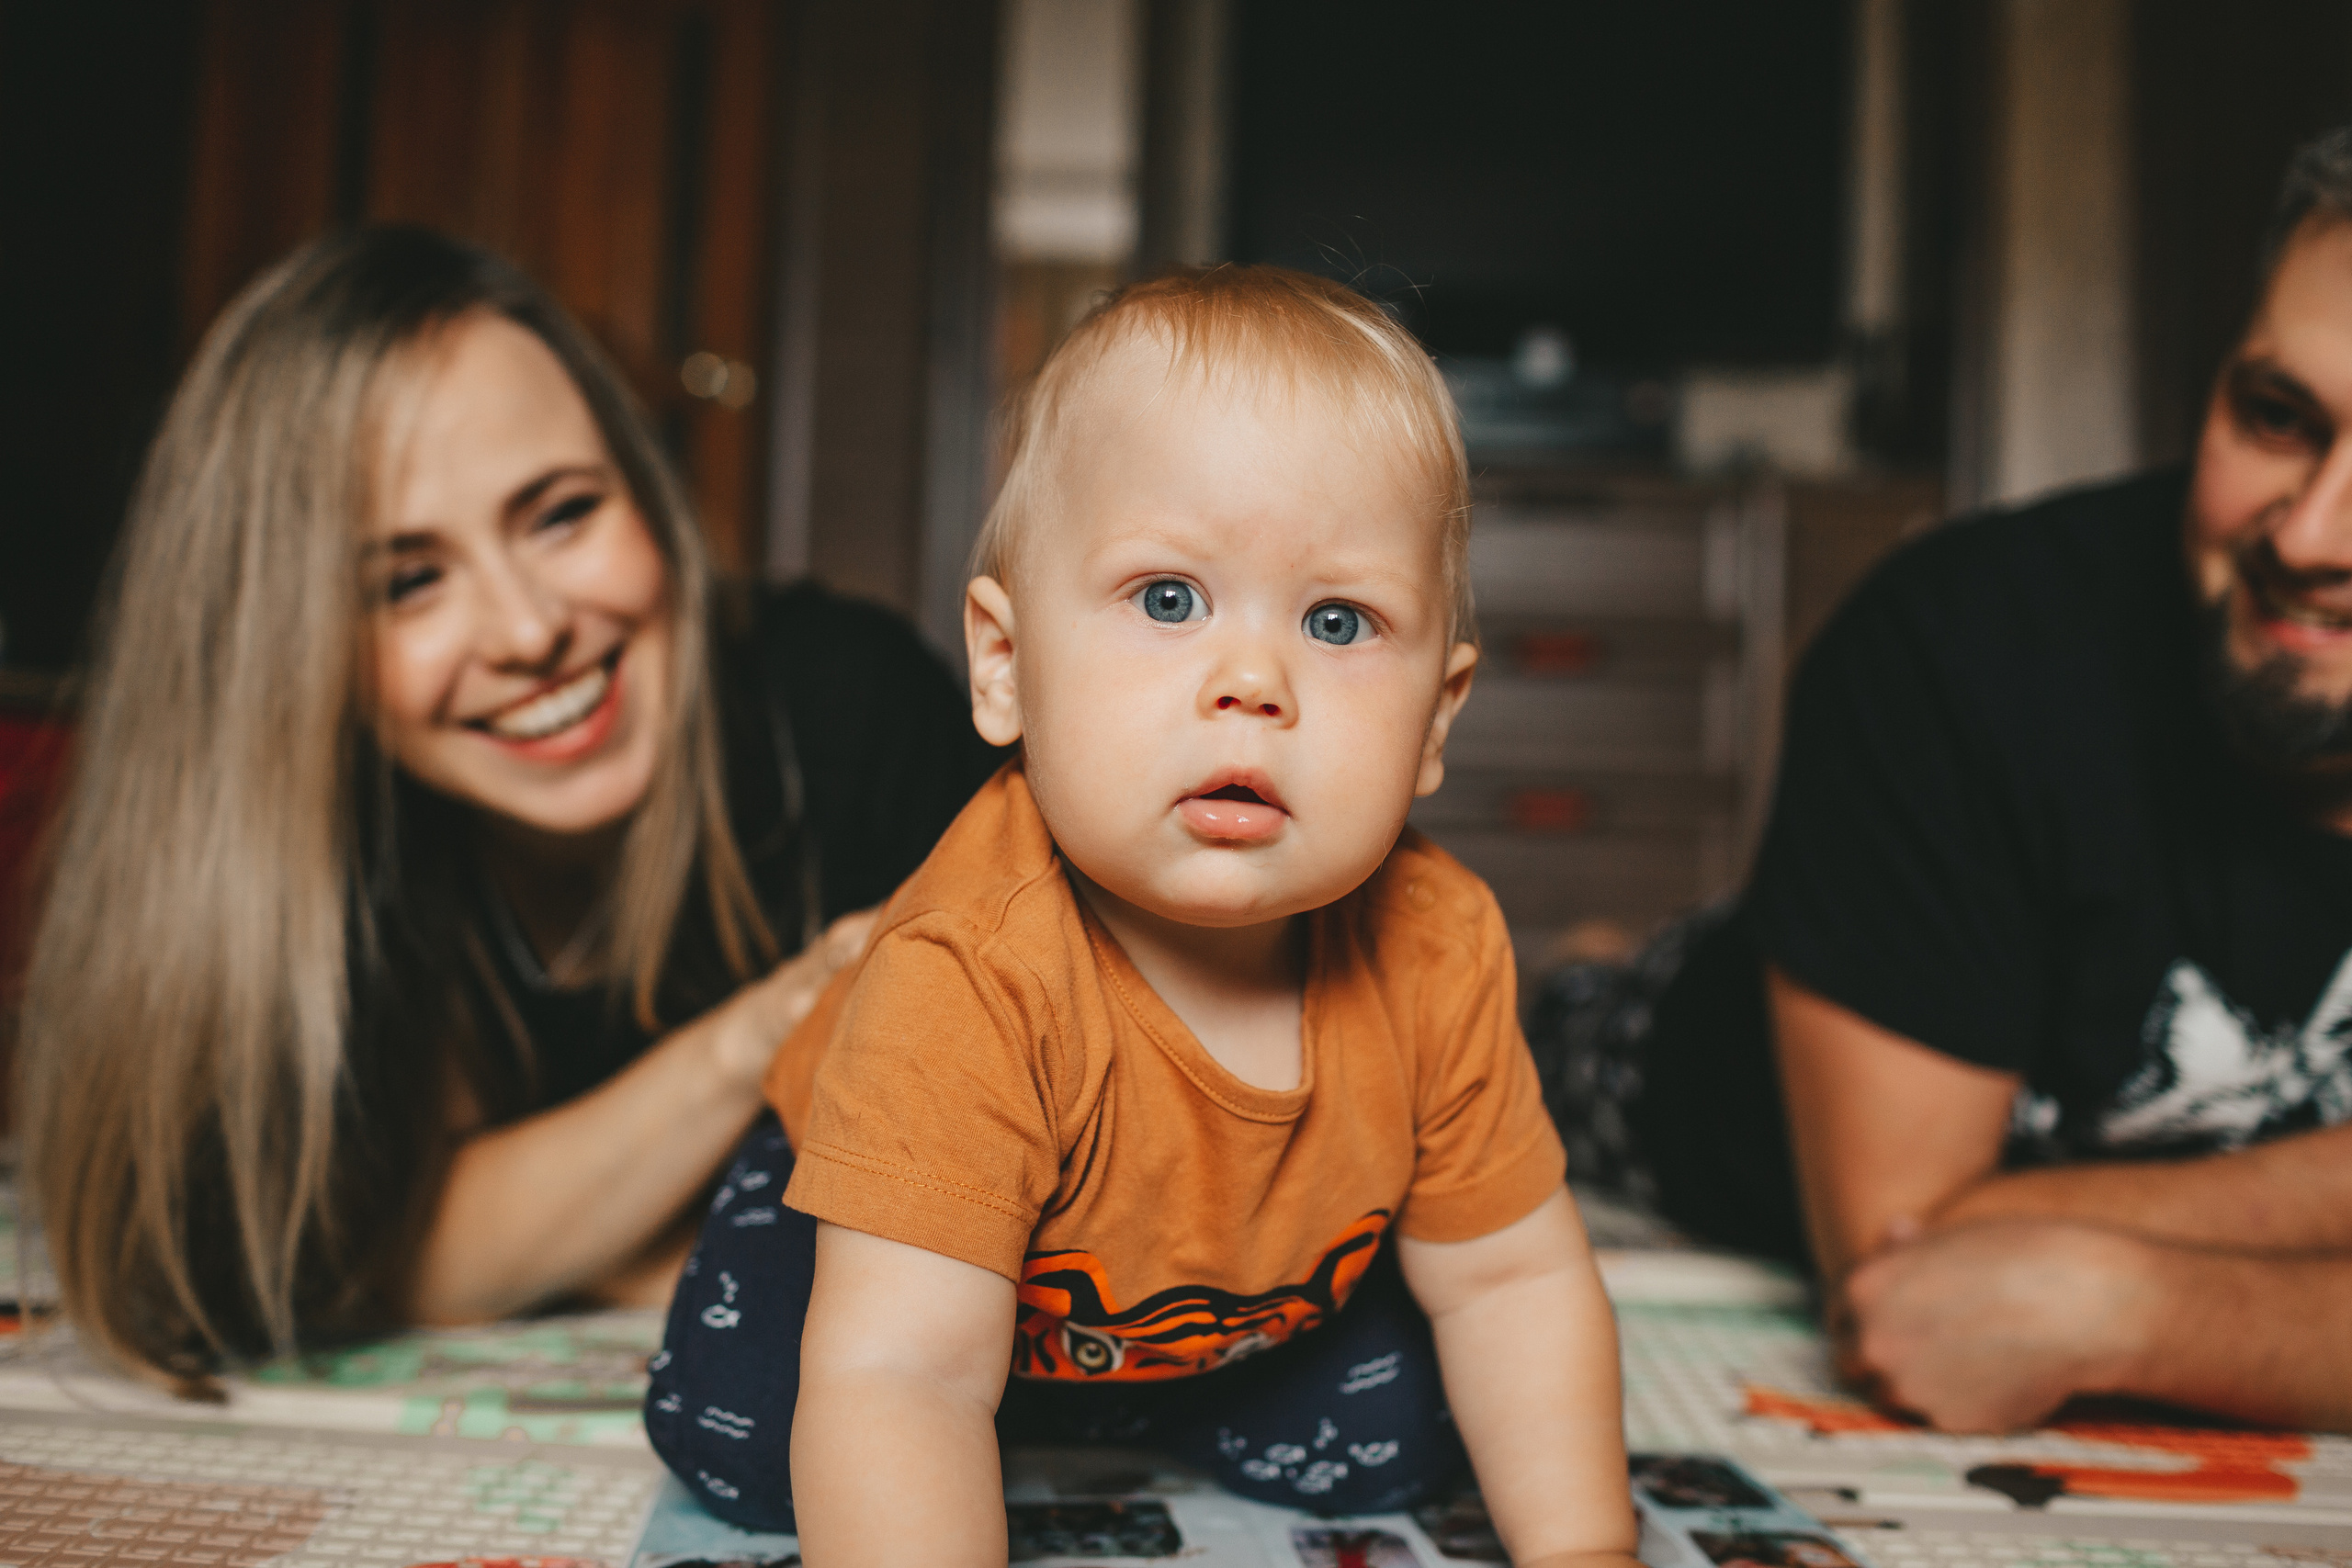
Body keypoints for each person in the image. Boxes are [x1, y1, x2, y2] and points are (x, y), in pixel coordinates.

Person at [643, 266, 1639, 1568]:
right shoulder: (969, 969)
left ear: (1437, 718)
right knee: (763, 1426)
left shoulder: (1435, 943)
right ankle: (1030, 1392)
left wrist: (1587, 1550)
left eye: (1339, 620)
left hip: (1225, 1285)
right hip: (903, 1241)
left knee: (1408, 1430)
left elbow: (1514, 1279)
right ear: (1005, 665)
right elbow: (900, 1372)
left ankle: (1128, 1390)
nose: (1251, 681)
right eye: (1168, 598)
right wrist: (926, 1423)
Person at [16, 227, 1000, 1388]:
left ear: (647, 492)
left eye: (561, 513)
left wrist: (524, 1243)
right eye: (408, 583)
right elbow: (234, 1249)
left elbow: (1055, 1205)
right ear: (282, 652)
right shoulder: (309, 827)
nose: (529, 631)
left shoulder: (845, 710)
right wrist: (761, 1032)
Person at [1539, 127, 2352, 1434]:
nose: (2311, 533)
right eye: (2275, 415)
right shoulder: (1965, 639)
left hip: (2024, 1099)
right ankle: (1600, 969)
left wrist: (2138, 1305)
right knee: (1485, 1052)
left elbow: (2040, 1296)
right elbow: (1914, 1295)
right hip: (1686, 1093)